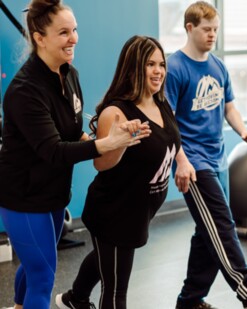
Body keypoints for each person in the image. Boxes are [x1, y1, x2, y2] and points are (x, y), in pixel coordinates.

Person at [0, 1, 149, 308]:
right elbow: (53, 151)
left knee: (34, 265)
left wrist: (116, 138)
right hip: (24, 199)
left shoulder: (69, 76)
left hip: (53, 193)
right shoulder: (24, 91)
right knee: (42, 275)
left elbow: (71, 132)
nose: (74, 38)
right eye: (64, 32)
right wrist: (106, 144)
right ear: (39, 38)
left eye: (75, 30)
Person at [164, 2, 247, 309]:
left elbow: (229, 107)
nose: (212, 35)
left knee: (207, 230)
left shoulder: (218, 66)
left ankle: (190, 300)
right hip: (192, 161)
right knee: (221, 224)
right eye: (207, 29)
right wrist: (180, 161)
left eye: (216, 30)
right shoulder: (175, 68)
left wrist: (243, 131)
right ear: (190, 28)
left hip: (217, 157)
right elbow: (166, 121)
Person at [54, 35, 191, 309]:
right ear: (133, 68)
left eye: (161, 64)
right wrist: (122, 143)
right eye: (150, 64)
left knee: (106, 259)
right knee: (116, 289)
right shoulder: (116, 113)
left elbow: (170, 138)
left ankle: (74, 298)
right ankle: (76, 298)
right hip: (114, 211)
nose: (158, 71)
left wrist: (183, 161)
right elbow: (101, 163)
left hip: (140, 211)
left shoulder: (159, 102)